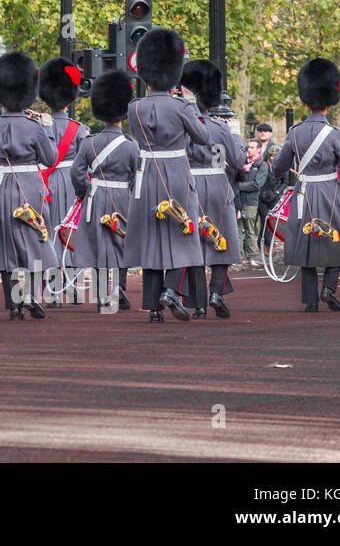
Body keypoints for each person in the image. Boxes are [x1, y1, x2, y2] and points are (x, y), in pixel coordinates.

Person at [123, 27, 208, 324]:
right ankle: (171, 290)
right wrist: (193, 105)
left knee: (150, 239)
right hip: (175, 172)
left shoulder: (134, 107)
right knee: (181, 231)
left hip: (146, 175)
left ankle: (153, 307)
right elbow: (203, 138)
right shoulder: (181, 106)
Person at [270, 60, 340, 312]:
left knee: (304, 243)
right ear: (330, 103)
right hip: (330, 192)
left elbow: (279, 166)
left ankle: (310, 301)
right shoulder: (335, 134)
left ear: (306, 102)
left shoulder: (294, 133)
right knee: (336, 240)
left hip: (303, 193)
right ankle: (329, 287)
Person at [0, 51, 58, 320]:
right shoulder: (35, 126)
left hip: (3, 183)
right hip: (30, 183)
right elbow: (50, 158)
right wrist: (47, 128)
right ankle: (29, 294)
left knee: (5, 242)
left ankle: (13, 304)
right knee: (36, 238)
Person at [180, 60, 245, 318]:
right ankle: (217, 292)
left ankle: (198, 303)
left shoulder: (184, 125)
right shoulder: (220, 127)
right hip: (219, 185)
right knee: (222, 241)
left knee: (193, 243)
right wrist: (236, 135)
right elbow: (238, 162)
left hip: (192, 184)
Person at [69, 71, 138, 312]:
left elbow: (76, 173)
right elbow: (136, 175)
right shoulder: (131, 145)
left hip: (96, 197)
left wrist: (85, 192)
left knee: (98, 246)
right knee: (121, 242)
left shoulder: (89, 142)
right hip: (123, 198)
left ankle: (100, 296)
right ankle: (119, 288)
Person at [37, 58, 89, 306]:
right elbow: (83, 162)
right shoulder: (77, 129)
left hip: (45, 183)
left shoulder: (37, 124)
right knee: (69, 233)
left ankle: (51, 286)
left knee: (48, 232)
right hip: (69, 183)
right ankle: (70, 285)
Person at [236, 142, 269, 268]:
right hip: (238, 200)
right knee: (237, 229)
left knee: (250, 230)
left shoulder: (262, 165)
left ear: (259, 149)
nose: (249, 150)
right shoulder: (241, 161)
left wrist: (238, 187)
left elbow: (257, 184)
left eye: (252, 147)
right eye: (248, 147)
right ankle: (238, 257)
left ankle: (251, 257)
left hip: (251, 201)